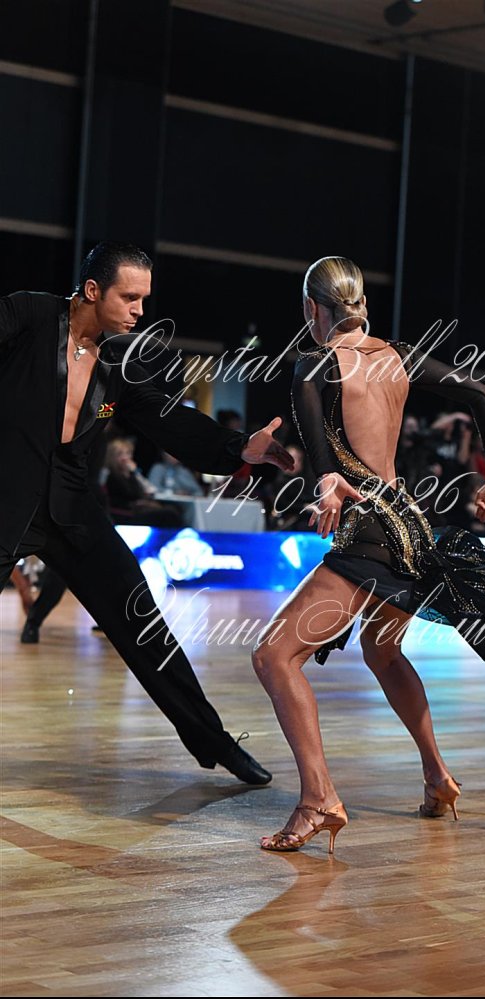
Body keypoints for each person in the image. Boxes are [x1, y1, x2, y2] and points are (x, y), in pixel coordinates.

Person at [251, 256, 485, 853]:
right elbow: (481, 392)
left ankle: (317, 800)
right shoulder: (398, 356)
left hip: (368, 529)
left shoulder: (313, 363)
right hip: (410, 524)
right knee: (383, 651)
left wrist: (326, 481)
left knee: (274, 656)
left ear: (311, 308)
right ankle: (438, 778)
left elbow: (325, 459)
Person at [0, 241, 294, 783]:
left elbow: (170, 422)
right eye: (130, 298)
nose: (140, 310)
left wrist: (239, 448)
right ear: (93, 290)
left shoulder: (119, 362)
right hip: (6, 496)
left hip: (71, 507)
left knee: (144, 625)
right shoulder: (28, 315)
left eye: (144, 299)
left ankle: (214, 741)